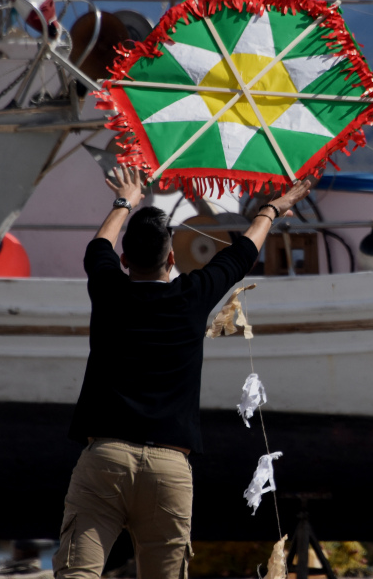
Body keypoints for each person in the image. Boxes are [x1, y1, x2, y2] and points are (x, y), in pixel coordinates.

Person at [52, 165, 313, 579]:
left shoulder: (108, 288)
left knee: (77, 574)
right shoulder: (192, 296)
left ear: (123, 260)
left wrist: (126, 201)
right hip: (170, 467)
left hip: (105, 459)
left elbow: (97, 246)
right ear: (172, 259)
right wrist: (270, 209)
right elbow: (241, 255)